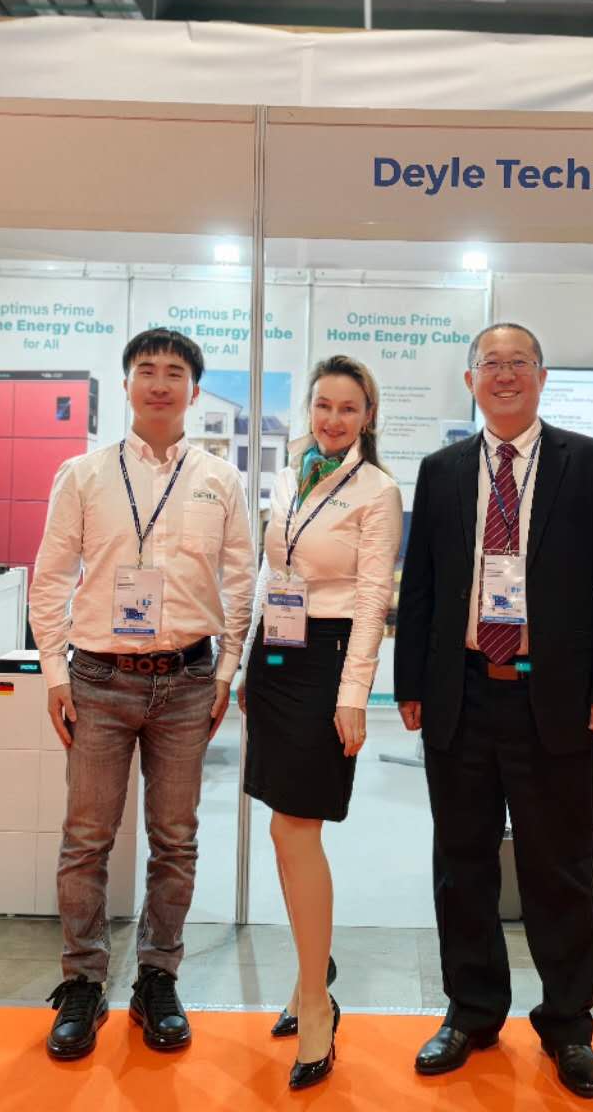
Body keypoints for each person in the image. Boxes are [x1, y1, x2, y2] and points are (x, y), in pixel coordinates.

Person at [395, 322, 593, 1100]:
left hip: (555, 696)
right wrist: (410, 684)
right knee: (461, 863)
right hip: (461, 691)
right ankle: (471, 1013)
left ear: (542, 376)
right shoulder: (441, 472)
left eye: (518, 363)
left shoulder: (591, 464)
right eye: (490, 364)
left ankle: (568, 1025)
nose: (504, 375)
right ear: (470, 380)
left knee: (559, 869)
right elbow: (420, 586)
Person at [30, 328, 254, 1061]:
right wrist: (55, 673)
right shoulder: (83, 474)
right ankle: (83, 983)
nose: (160, 383)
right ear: (126, 384)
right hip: (98, 679)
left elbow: (242, 579)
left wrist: (226, 670)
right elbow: (50, 576)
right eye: (147, 370)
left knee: (175, 840)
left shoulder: (219, 478)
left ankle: (158, 978)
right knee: (86, 839)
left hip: (187, 682)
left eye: (175, 372)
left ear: (194, 389)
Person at [241, 356, 403, 1089]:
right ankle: (312, 974)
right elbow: (272, 575)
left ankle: (316, 1002)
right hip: (277, 654)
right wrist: (247, 663)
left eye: (348, 408)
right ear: (309, 409)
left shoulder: (378, 490)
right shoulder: (291, 476)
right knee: (283, 829)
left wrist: (353, 694)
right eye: (323, 405)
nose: (333, 419)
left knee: (295, 829)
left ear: (368, 416)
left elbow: (372, 600)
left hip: (328, 661)